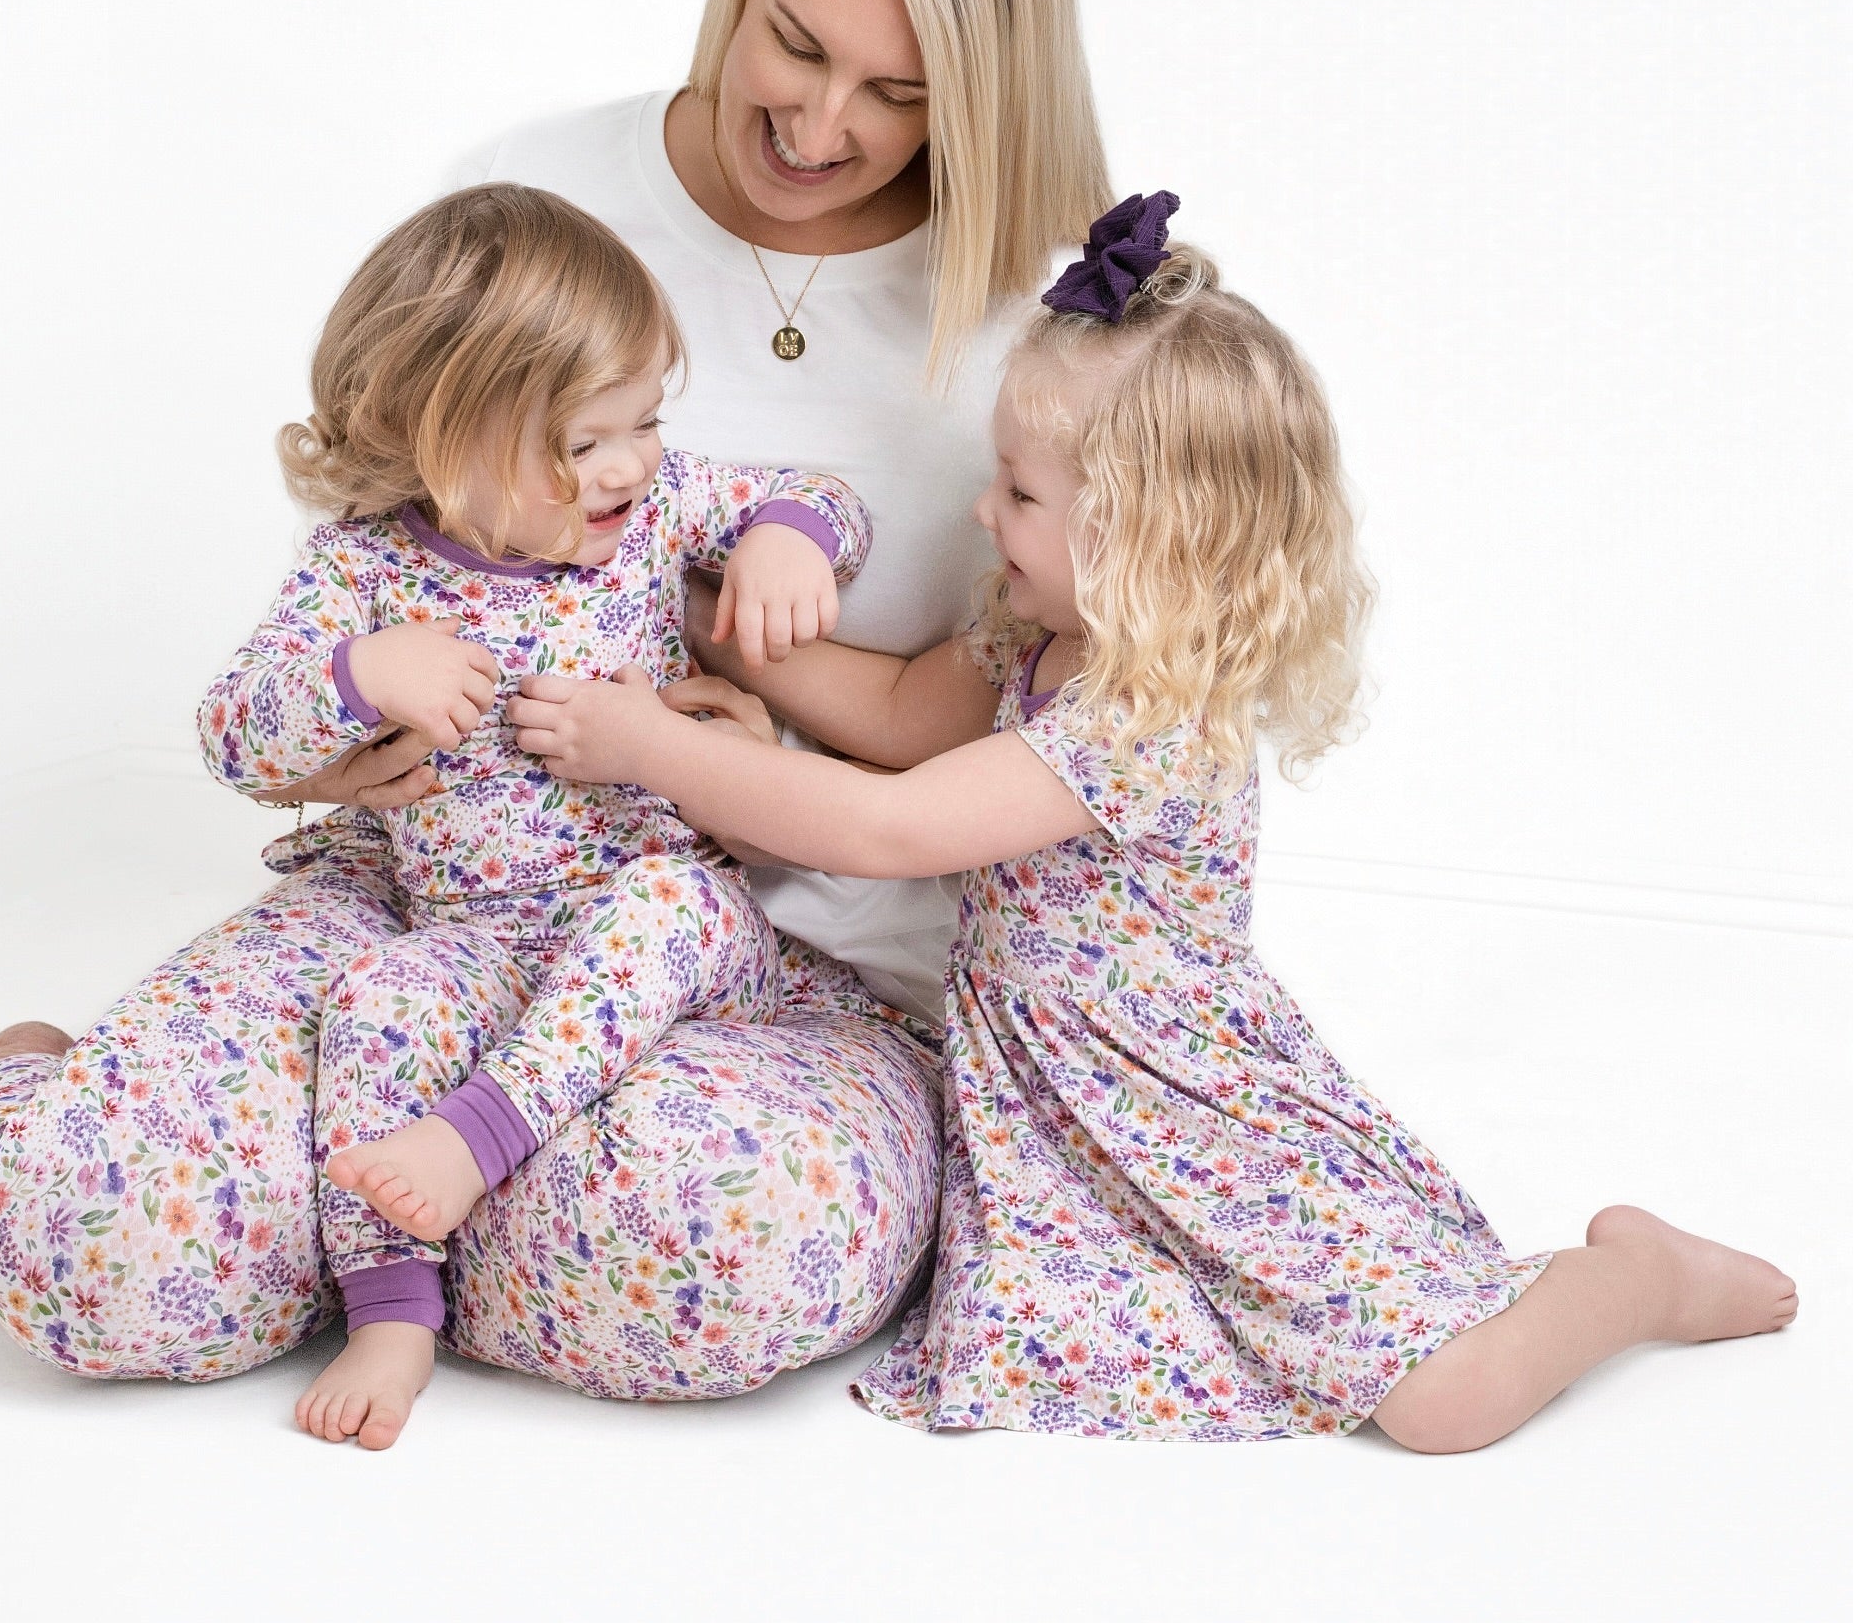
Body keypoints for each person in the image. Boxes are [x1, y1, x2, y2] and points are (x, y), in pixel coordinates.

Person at [0, 0, 1113, 1419]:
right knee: (92, 1238)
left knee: (712, 1248)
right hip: (423, 925)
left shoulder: (1027, 326)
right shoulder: (533, 202)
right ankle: (156, 1139)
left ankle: (378, 1234)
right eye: (794, 42)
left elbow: (988, 715)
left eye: (899, 91)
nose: (824, 124)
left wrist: (706, 698)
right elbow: (366, 573)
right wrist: (348, 720)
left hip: (775, 967)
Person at [508, 194, 1800, 1448]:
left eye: (1018, 494)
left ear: (1142, 536)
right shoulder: (1045, 630)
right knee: (1131, 1329)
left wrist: (654, 748)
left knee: (1440, 1403)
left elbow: (889, 825)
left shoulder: (1145, 718)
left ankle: (1637, 1278)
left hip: (1183, 1098)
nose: (981, 511)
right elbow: (902, 713)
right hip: (1063, 1105)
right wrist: (680, 610)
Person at [191, 182, 872, 1446]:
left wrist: (786, 537)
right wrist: (357, 674)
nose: (627, 463)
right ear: (435, 436)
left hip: (666, 919)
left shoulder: (654, 515)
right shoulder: (363, 564)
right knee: (381, 1001)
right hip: (469, 925)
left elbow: (823, 499)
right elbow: (233, 729)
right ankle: (392, 1304)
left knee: (665, 900)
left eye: (644, 422)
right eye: (579, 440)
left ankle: (478, 1136)